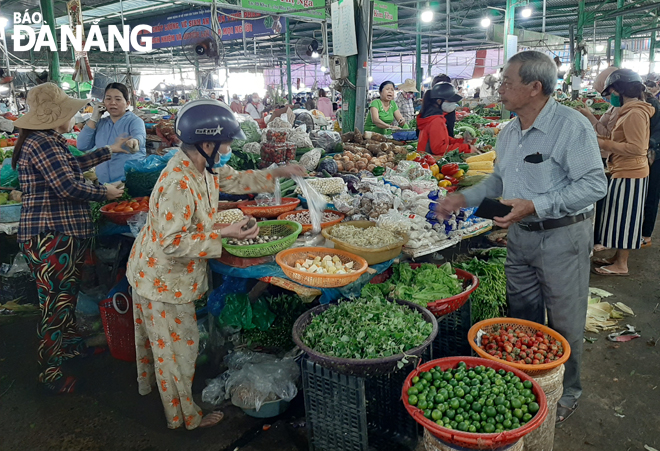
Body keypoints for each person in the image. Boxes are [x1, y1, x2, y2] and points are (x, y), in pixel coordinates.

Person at [434, 51, 607, 424]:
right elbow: (499, 179)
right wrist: (466, 197)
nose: (500, 88)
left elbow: (595, 184)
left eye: (507, 82)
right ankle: (530, 384)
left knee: (565, 321)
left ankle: (568, 391)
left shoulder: (571, 126)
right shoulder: (510, 130)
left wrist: (536, 204)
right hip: (520, 238)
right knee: (522, 318)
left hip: (563, 236)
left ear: (534, 87)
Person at [126, 100, 305, 430]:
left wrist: (278, 173)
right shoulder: (176, 183)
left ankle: (166, 398)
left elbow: (235, 180)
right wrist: (225, 232)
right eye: (225, 144)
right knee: (177, 352)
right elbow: (173, 242)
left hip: (165, 275)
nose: (228, 149)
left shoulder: (201, 165)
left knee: (167, 346)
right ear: (207, 144)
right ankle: (185, 420)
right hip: (162, 278)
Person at [11, 83, 128, 394]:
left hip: (57, 235)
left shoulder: (43, 141)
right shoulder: (43, 143)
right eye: (71, 112)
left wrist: (109, 151)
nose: (76, 116)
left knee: (65, 299)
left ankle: (70, 348)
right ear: (54, 116)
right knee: (55, 305)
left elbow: (69, 166)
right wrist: (105, 191)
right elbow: (67, 185)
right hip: (52, 237)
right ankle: (49, 373)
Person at [591, 69, 653, 274]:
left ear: (621, 89)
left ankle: (622, 265)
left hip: (631, 172)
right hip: (623, 170)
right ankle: (616, 257)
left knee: (626, 218)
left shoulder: (635, 113)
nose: (611, 97)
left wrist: (604, 144)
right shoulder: (629, 110)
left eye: (611, 92)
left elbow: (637, 148)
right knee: (619, 215)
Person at [77, 82, 146, 184]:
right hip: (104, 182)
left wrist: (135, 142)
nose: (112, 102)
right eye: (108, 99)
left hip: (128, 181)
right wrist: (94, 118)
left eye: (118, 99)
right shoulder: (101, 123)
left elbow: (139, 136)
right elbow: (82, 146)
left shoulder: (134, 121)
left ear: (127, 103)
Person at [417, 83, 472, 156]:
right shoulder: (436, 120)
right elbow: (439, 149)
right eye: (450, 101)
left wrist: (461, 141)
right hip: (429, 162)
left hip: (426, 159)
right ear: (439, 101)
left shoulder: (433, 116)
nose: (453, 104)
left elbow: (443, 139)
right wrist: (466, 148)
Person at [641, 85, 660, 247]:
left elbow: (656, 132)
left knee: (652, 195)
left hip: (656, 155)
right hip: (646, 154)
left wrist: (649, 145)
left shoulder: (651, 105)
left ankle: (646, 235)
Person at [578, 67, 620, 138]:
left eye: (602, 92)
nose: (602, 95)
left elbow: (608, 136)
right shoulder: (614, 104)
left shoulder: (618, 106)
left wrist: (589, 116)